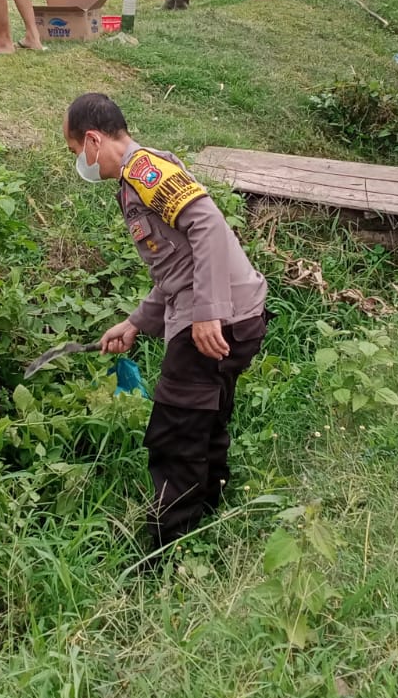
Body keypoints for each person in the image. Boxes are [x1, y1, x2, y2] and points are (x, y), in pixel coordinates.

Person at [64, 92, 269, 560]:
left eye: (76, 150)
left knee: (173, 433)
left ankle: (164, 552)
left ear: (94, 139)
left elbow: (209, 226)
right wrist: (137, 322)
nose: (79, 161)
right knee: (206, 420)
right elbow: (177, 267)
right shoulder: (135, 184)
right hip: (237, 314)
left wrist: (207, 312)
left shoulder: (145, 171)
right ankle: (208, 516)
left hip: (219, 320)